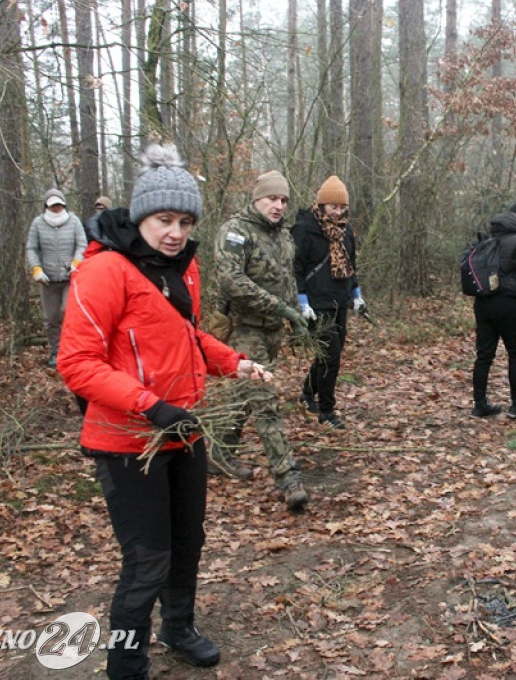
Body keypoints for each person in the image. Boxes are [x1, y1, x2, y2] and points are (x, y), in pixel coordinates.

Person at [58, 143, 273, 678]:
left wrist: (235, 363)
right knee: (147, 559)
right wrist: (150, 406)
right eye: (162, 219)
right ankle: (127, 662)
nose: (174, 231)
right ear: (140, 217)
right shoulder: (105, 271)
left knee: (187, 542)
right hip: (127, 440)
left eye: (183, 220)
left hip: (186, 431)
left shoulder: (186, 268)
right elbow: (76, 362)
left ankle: (178, 628)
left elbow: (187, 336)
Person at [210, 170, 310, 511]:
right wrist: (284, 308)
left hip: (272, 331)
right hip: (243, 330)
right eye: (271, 198)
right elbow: (231, 281)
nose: (278, 205)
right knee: (265, 402)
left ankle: (219, 454)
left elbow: (288, 280)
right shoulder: (236, 232)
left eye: (283, 199)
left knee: (242, 398)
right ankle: (288, 478)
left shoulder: (283, 236)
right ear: (256, 199)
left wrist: (295, 315)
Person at [292, 175, 367, 430]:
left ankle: (307, 392)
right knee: (331, 356)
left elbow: (350, 266)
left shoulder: (346, 231)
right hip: (315, 304)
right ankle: (326, 411)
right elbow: (296, 268)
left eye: (341, 207)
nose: (337, 212)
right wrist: (302, 302)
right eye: (332, 206)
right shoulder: (305, 229)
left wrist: (357, 296)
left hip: (340, 301)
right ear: (321, 204)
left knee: (328, 355)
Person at [470, 202, 516, 418]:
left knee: (483, 356)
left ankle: (480, 404)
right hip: (508, 304)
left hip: (482, 303)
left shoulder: (488, 241)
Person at [25, 188, 86, 366]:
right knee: (51, 317)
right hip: (48, 279)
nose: (56, 208)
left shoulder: (74, 221)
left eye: (59, 205)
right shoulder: (38, 223)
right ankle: (55, 350)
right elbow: (31, 248)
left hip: (70, 277)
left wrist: (76, 261)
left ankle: (71, 349)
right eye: (53, 206)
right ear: (47, 206)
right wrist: (36, 268)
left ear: (64, 204)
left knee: (69, 312)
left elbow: (82, 244)